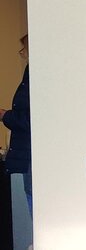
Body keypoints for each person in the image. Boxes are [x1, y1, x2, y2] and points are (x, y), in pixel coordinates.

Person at [1, 34, 31, 215]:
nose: (23, 54)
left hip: (31, 154)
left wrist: (6, 116)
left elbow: (32, 120)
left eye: (24, 50)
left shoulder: (35, 75)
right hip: (29, 154)